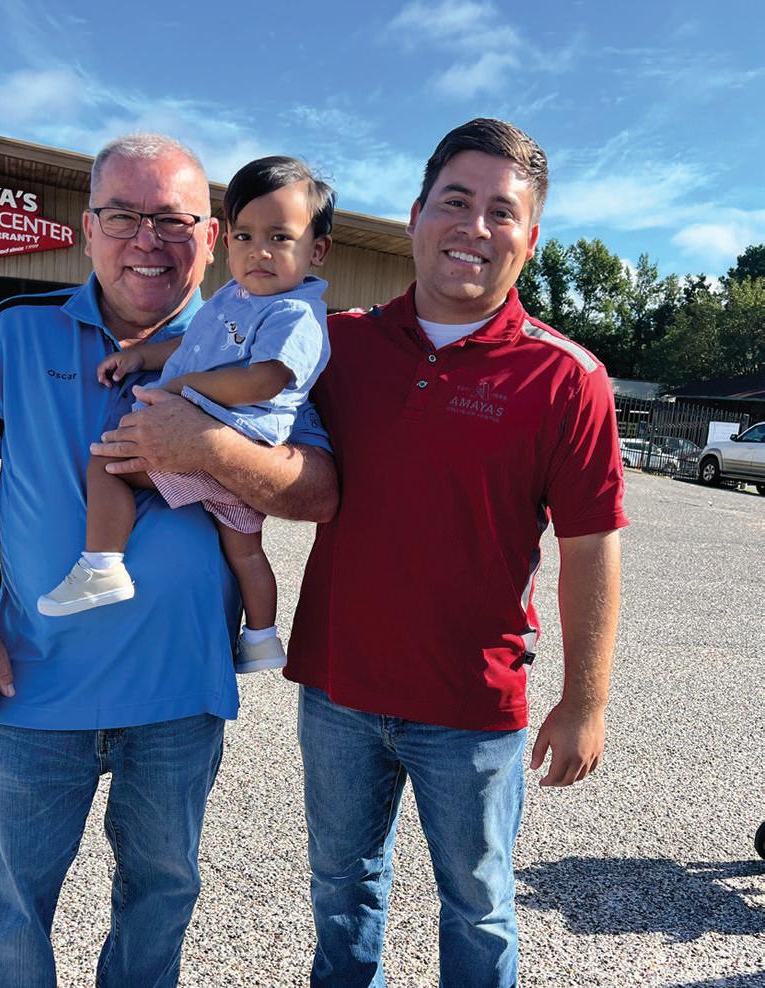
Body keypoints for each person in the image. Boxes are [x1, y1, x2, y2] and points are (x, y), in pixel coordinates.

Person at [0, 133, 337, 988]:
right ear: (87, 229)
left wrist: (208, 445)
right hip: (33, 688)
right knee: (4, 913)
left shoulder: (249, 334)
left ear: (207, 237)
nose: (148, 239)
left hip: (179, 697)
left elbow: (318, 491)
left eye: (173, 220)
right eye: (122, 216)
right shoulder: (9, 333)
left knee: (159, 898)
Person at [283, 119, 629, 987]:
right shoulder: (336, 344)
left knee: (477, 904)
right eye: (455, 201)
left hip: (470, 705)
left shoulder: (567, 378)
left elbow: (591, 546)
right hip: (337, 686)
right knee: (340, 888)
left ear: (529, 239)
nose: (474, 226)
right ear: (415, 216)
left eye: (501, 212)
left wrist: (584, 701)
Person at [37, 156, 334, 675]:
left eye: (280, 237)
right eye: (244, 236)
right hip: (236, 456)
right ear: (227, 241)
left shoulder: (294, 313)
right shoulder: (237, 299)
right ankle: (262, 638)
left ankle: (102, 564)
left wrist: (180, 386)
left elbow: (264, 380)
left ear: (318, 249)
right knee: (244, 551)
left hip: (230, 439)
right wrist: (142, 358)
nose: (259, 251)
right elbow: (191, 345)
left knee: (109, 464)